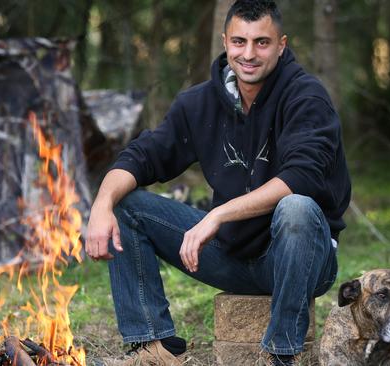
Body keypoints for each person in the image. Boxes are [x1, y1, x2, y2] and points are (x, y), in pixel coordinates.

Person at [85, 0, 351, 365]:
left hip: (303, 258)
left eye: (262, 42)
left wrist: (217, 215)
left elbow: (300, 177)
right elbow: (141, 157)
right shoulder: (199, 103)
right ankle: (153, 347)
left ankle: (281, 354)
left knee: (298, 208)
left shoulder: (306, 97)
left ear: (282, 45)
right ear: (225, 42)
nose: (249, 53)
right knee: (126, 205)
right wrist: (101, 206)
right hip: (232, 255)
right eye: (240, 41)